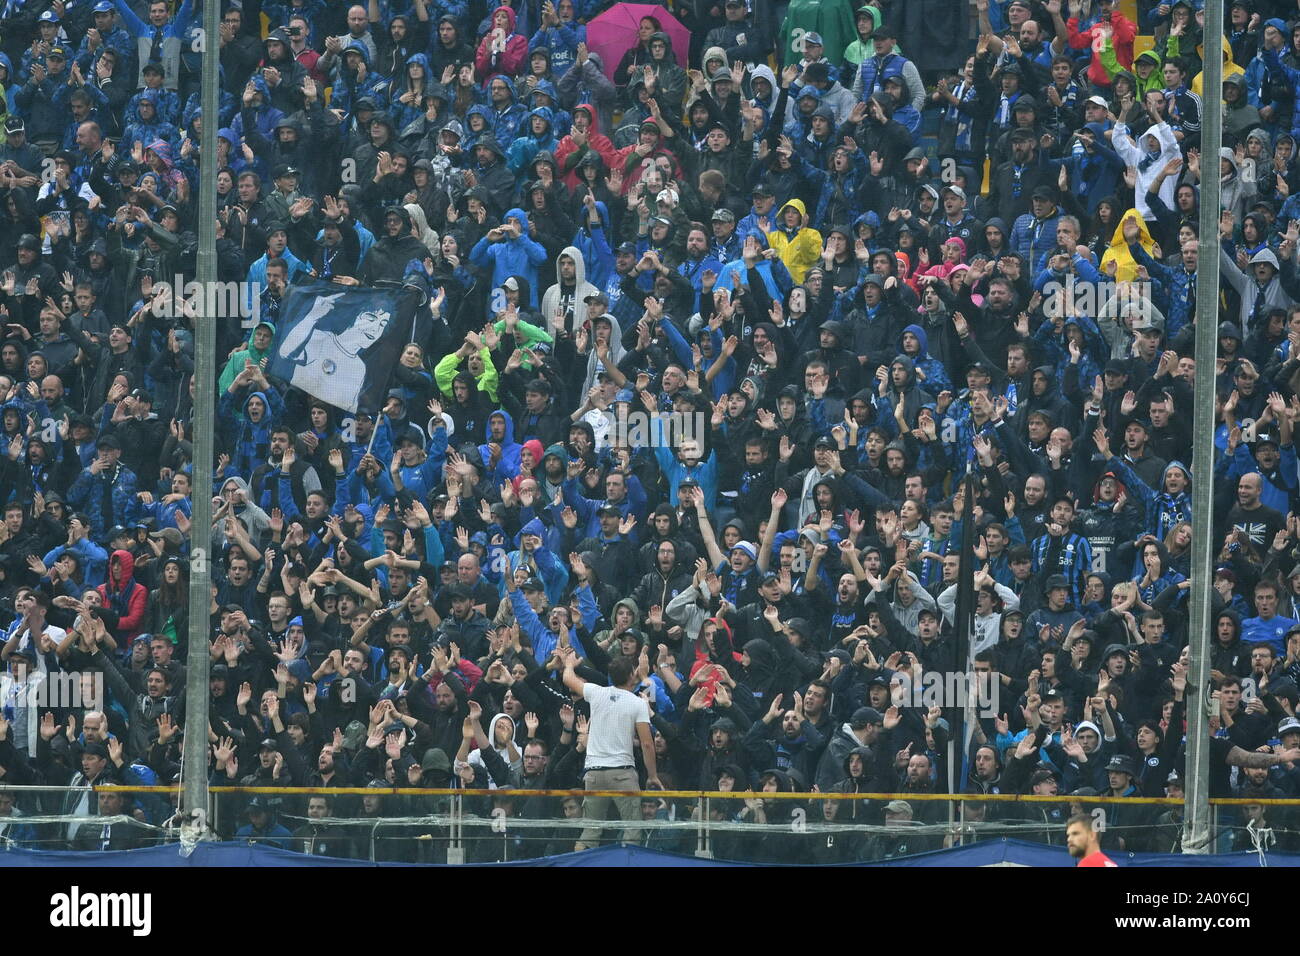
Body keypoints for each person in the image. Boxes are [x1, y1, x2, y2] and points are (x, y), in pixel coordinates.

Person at [560, 647, 659, 849]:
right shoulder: (638, 703)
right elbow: (647, 744)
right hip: (622, 773)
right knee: (632, 828)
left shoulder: (597, 692)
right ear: (632, 675)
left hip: (594, 774)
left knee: (590, 830)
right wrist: (653, 775)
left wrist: (569, 664)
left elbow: (568, 678)